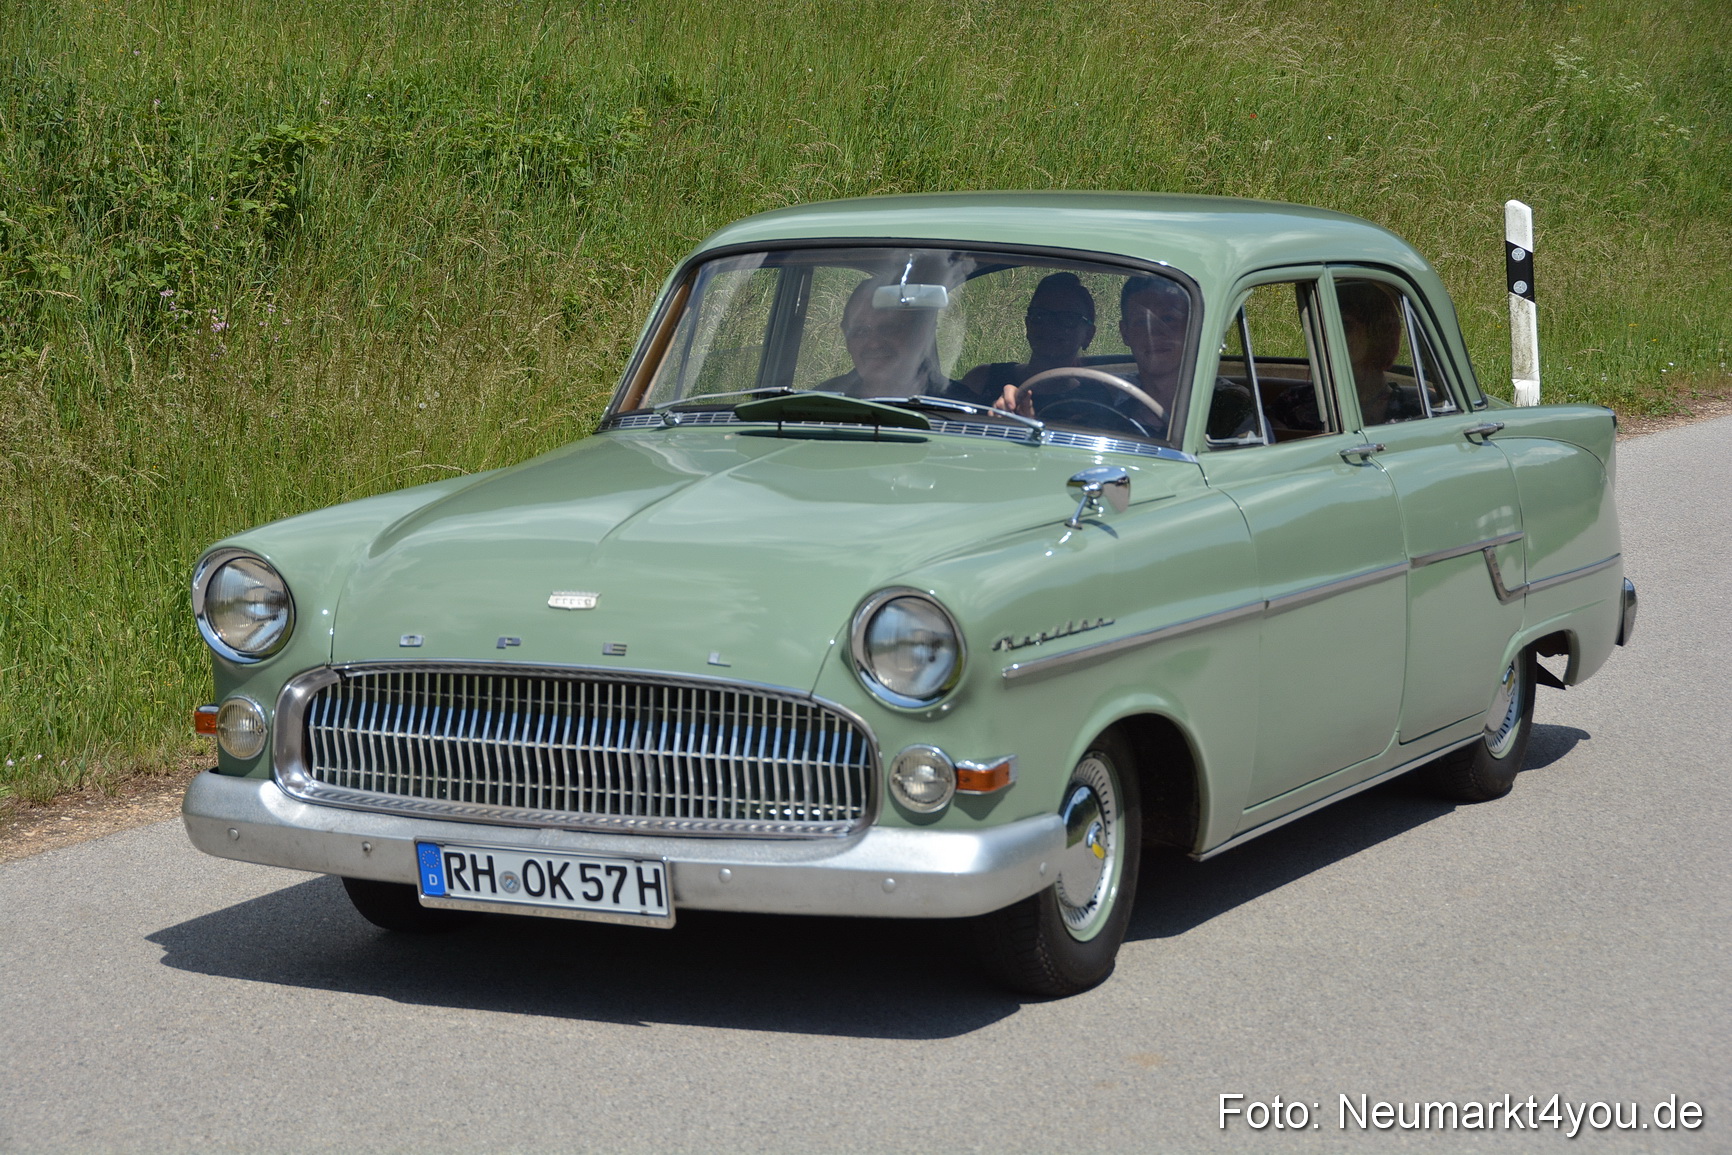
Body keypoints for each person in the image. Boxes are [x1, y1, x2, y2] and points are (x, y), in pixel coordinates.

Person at [995, 274, 1255, 441]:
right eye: (1141, 322)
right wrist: (1022, 421)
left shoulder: (1229, 407)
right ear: (1125, 333)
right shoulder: (1102, 401)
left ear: (1193, 328)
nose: (1154, 334)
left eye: (1169, 319)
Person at [955, 272, 1097, 403]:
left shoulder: (1095, 400)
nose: (1050, 326)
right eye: (1040, 315)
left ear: (1088, 334)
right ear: (1028, 324)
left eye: (1068, 318)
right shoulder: (982, 379)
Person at [817, 276, 953, 398]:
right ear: (846, 337)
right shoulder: (823, 400)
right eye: (860, 331)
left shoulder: (957, 404)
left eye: (889, 329)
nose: (874, 343)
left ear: (921, 334)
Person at [1337, 281, 1425, 425]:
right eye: (1322, 325)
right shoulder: (1301, 402)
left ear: (1377, 332)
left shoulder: (1414, 411)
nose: (1331, 334)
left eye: (1345, 325)